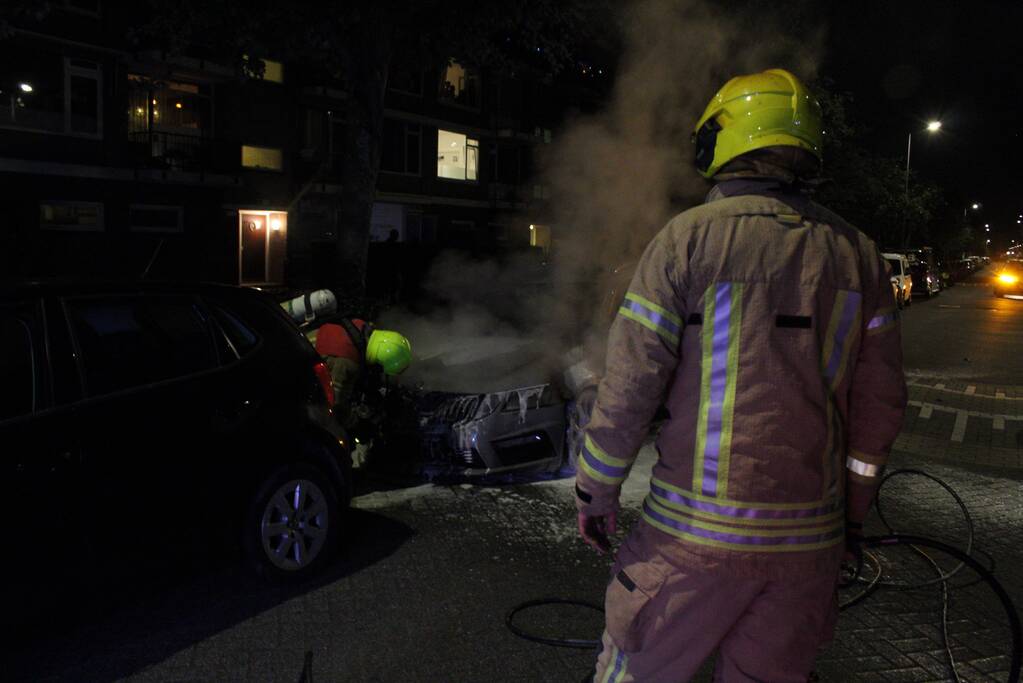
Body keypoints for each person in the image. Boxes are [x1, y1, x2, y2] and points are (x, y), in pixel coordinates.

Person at [576, 68, 907, 682]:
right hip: (807, 550)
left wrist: (596, 494)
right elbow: (880, 410)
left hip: (688, 547)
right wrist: (851, 519)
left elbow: (627, 388)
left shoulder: (685, 241)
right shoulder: (858, 255)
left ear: (721, 144)